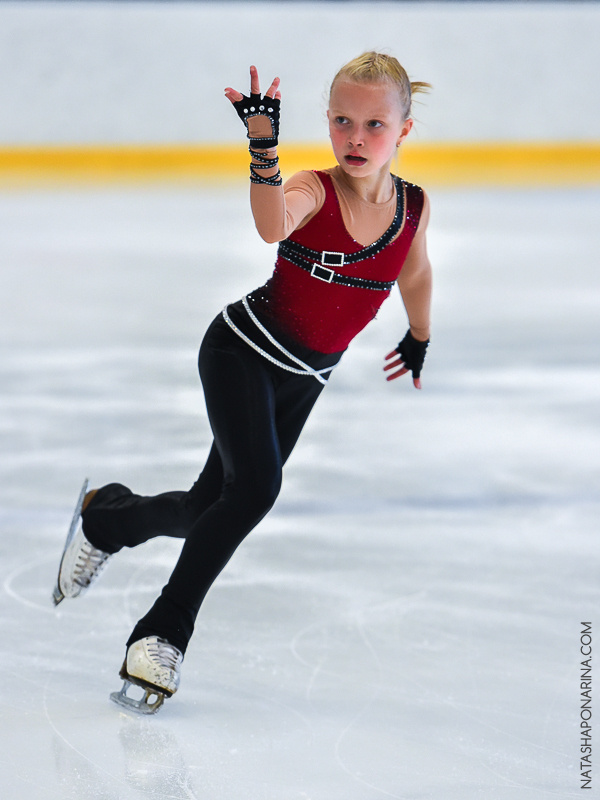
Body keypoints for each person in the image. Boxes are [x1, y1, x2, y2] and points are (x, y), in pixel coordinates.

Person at [52, 52, 433, 714]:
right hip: (241, 352)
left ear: (404, 130)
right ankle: (161, 634)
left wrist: (419, 334)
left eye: (374, 124)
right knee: (256, 489)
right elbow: (270, 224)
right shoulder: (315, 189)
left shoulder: (414, 207)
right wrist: (263, 149)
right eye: (342, 121)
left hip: (305, 378)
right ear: (327, 121)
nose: (355, 137)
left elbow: (416, 272)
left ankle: (107, 519)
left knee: (206, 509)